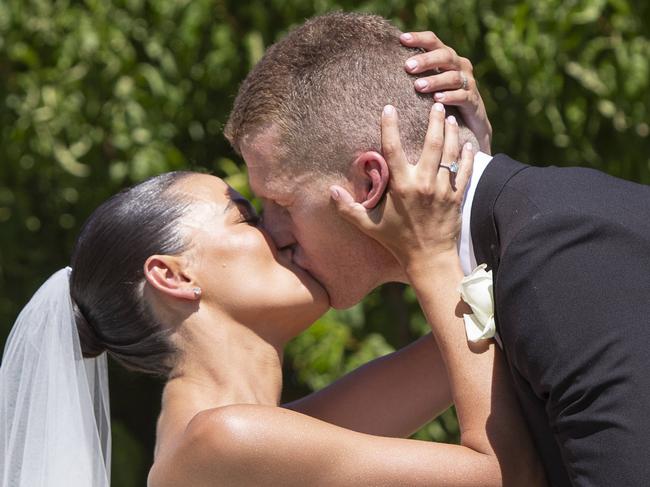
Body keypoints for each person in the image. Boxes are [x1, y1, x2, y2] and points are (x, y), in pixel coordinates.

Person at [0, 64, 545, 487]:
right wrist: (427, 256)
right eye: (246, 215)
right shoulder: (223, 440)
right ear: (172, 275)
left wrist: (464, 168)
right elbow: (507, 475)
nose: (282, 232)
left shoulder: (262, 435)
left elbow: (477, 335)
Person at [224, 11, 650, 487]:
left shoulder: (559, 250)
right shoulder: (529, 243)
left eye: (280, 202)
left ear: (370, 181)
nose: (273, 233)